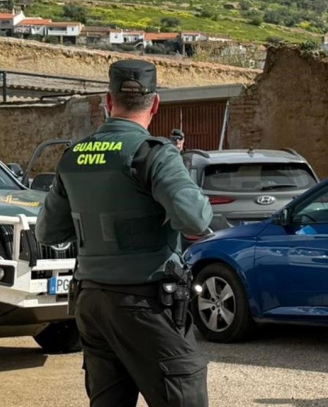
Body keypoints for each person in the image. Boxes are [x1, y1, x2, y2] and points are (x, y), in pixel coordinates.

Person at [36, 59, 213, 407]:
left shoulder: (73, 156)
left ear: (108, 99)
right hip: (145, 301)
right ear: (156, 103)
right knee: (184, 393)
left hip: (92, 301)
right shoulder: (154, 154)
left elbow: (48, 231)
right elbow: (195, 219)